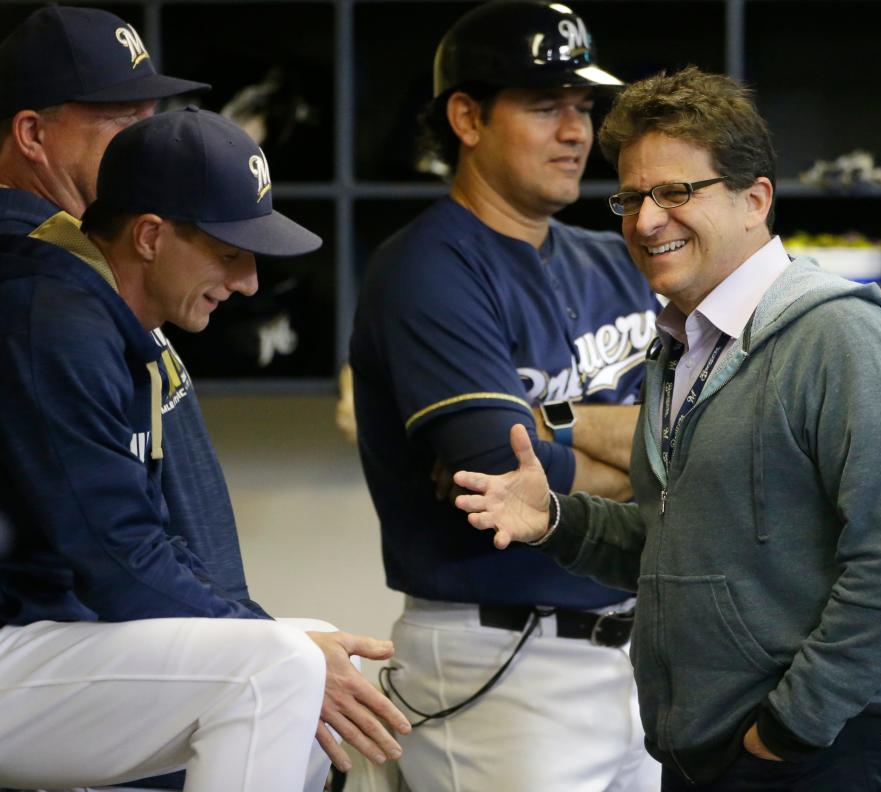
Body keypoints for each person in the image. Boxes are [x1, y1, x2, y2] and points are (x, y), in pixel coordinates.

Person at [452, 66, 881, 792]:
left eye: (676, 192)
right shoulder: (682, 348)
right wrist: (552, 520)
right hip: (703, 756)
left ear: (754, 200)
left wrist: (789, 729)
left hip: (814, 756)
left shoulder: (840, 335)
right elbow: (674, 543)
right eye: (630, 197)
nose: (645, 220)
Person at [0, 107, 410, 791]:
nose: (249, 281)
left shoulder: (106, 319)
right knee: (283, 664)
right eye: (228, 252)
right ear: (152, 236)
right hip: (18, 640)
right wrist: (270, 640)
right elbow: (115, 558)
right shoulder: (54, 321)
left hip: (43, 642)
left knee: (316, 649)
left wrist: (277, 635)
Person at [349, 2, 662, 789]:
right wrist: (659, 470)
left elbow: (712, 434)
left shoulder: (616, 256)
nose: (577, 131)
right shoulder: (427, 269)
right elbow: (499, 477)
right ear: (466, 116)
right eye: (545, 105)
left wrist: (555, 425)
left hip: (645, 654)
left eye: (584, 107)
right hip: (501, 665)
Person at [0, 5, 261, 623]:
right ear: (33, 135)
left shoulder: (87, 247)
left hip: (146, 624)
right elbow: (105, 540)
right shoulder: (36, 271)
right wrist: (240, 635)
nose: (146, 140)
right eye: (122, 122)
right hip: (69, 643)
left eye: (150, 118)